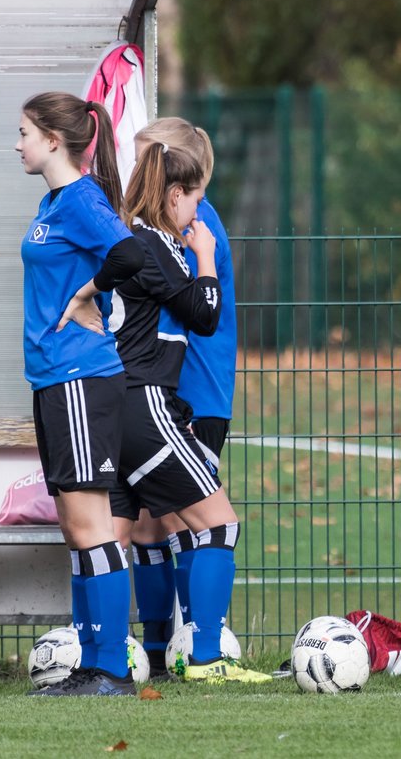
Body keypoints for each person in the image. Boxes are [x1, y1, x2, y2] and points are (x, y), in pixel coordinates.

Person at [106, 128, 269, 683]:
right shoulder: (164, 239)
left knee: (131, 533)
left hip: (168, 397)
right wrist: (201, 257)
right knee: (211, 525)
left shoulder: (145, 231)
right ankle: (202, 654)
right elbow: (203, 309)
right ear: (175, 190)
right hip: (155, 402)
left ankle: (141, 655)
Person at [18, 92, 145, 696]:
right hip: (52, 379)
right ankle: (91, 665)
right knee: (75, 524)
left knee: (92, 523)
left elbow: (131, 252)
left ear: (52, 140)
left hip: (80, 377)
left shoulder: (82, 198)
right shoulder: (52, 203)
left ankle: (110, 669)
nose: (16, 144)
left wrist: (89, 293)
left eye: (23, 132)